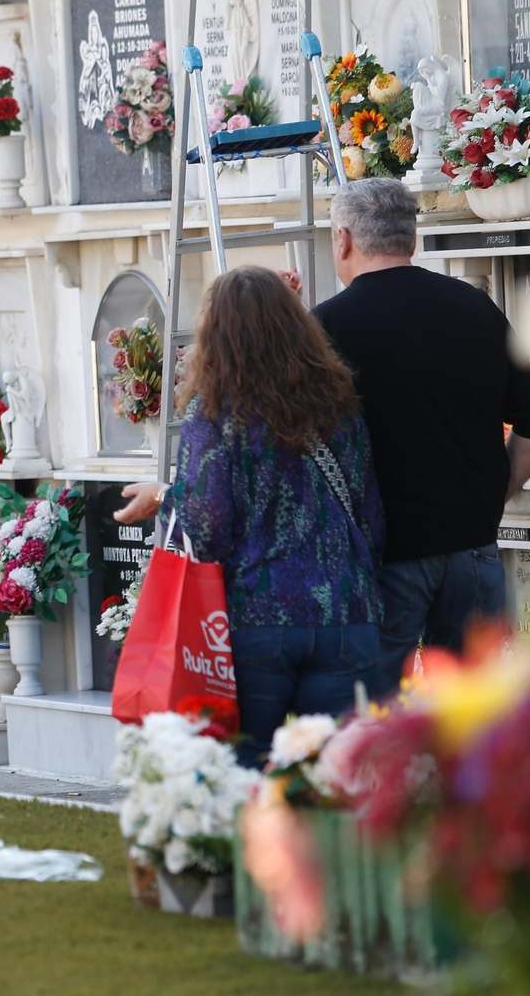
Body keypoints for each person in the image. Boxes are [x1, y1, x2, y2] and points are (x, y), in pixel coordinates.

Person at [315, 179, 530, 687]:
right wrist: (498, 490)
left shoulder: (326, 327)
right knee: (472, 719)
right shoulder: (474, 308)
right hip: (471, 547)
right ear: (413, 238)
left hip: (382, 558)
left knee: (377, 714)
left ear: (343, 240)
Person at [162, 266, 387, 765]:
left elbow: (206, 528)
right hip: (347, 614)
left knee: (247, 769)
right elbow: (369, 517)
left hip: (256, 617)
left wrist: (167, 498)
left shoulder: (215, 412)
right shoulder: (339, 403)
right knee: (333, 776)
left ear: (215, 334)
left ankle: (261, 847)